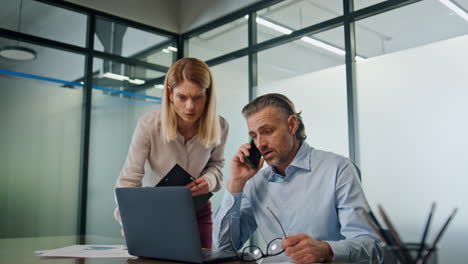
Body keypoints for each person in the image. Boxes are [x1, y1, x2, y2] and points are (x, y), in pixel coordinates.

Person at [213, 93, 383, 263]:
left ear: (292, 125)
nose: (260, 143)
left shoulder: (337, 168)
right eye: (254, 135)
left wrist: (327, 250)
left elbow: (372, 246)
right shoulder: (256, 183)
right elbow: (224, 247)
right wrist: (236, 182)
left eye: (267, 131)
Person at [114, 57, 229, 249]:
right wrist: (130, 219)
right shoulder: (149, 125)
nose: (190, 106)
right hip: (154, 212)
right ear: (169, 94)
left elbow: (216, 165)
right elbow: (129, 179)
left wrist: (209, 180)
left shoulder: (221, 126)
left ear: (207, 95)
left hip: (197, 210)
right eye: (182, 97)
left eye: (198, 97)